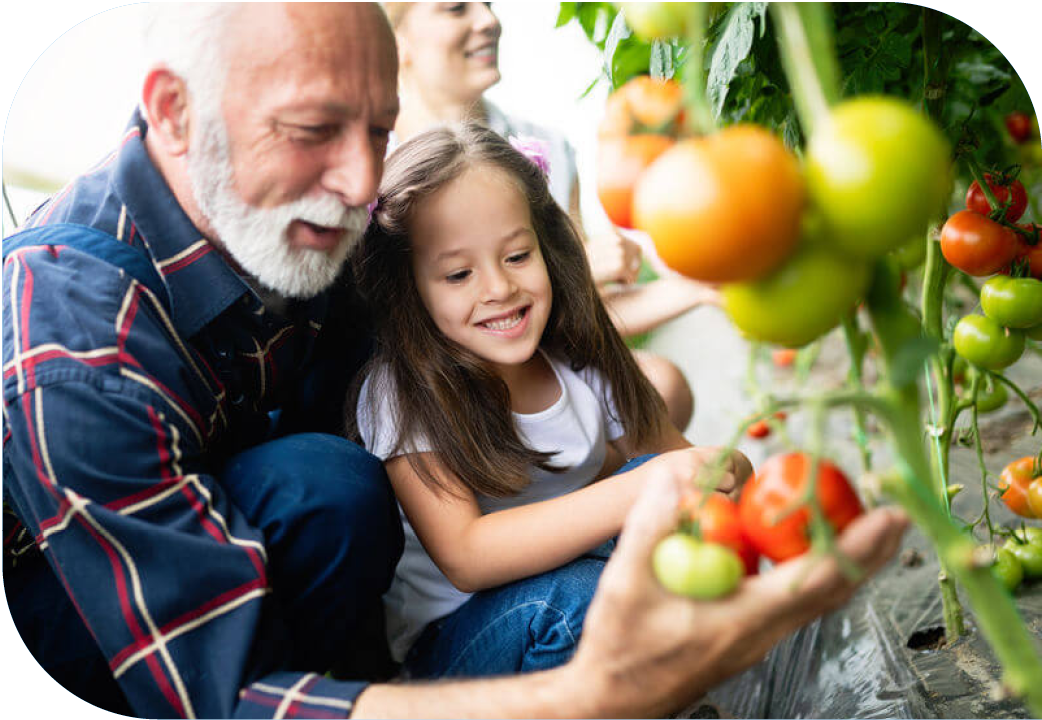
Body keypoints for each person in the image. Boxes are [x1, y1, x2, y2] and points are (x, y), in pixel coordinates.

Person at [1, 4, 908, 719]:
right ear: (172, 111)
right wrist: (588, 694)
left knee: (327, 485)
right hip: (100, 601)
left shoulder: (326, 222)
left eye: (379, 131)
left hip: (283, 526)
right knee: (345, 490)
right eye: (314, 127)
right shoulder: (78, 342)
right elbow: (221, 695)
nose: (361, 185)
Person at [350, 123, 750, 679]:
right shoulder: (404, 392)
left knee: (673, 522)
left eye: (517, 256)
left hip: (575, 593)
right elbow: (467, 555)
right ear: (408, 287)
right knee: (578, 598)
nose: (498, 288)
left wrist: (724, 471)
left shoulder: (579, 358)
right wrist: (645, 486)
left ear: (547, 246)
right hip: (462, 648)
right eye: (459, 273)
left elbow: (684, 467)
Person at [385, 1, 714, 431]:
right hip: (447, 397)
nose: (489, 21)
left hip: (540, 374)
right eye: (457, 9)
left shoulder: (545, 147)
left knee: (662, 385)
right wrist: (578, 269)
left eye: (487, 5)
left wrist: (698, 288)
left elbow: (572, 319)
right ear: (397, 42)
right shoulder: (377, 170)